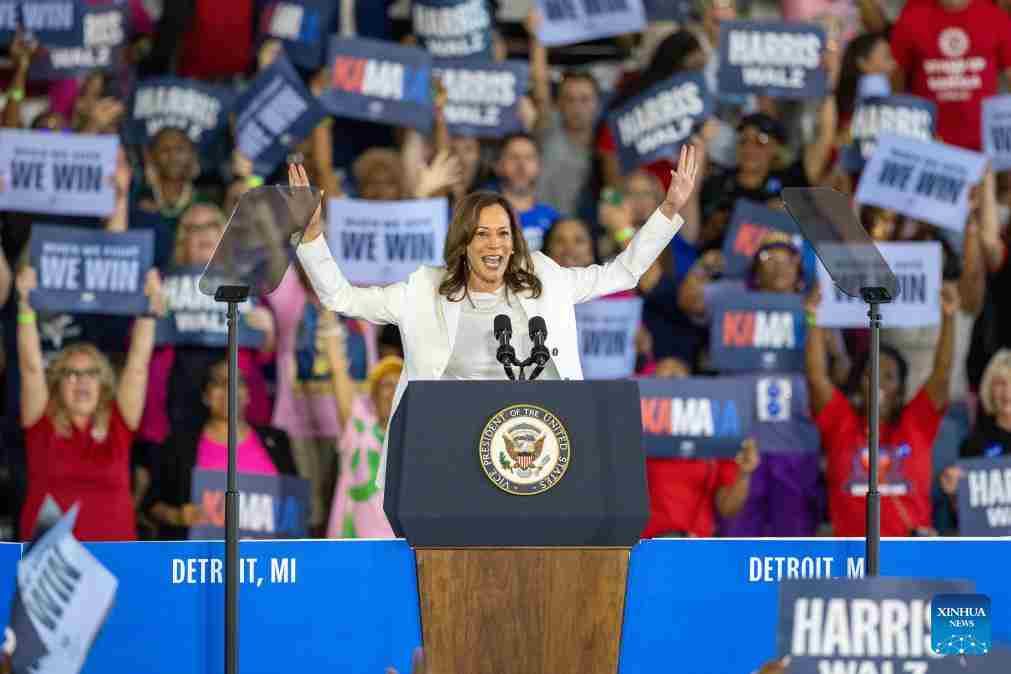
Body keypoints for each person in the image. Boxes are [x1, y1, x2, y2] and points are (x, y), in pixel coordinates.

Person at [292, 145, 699, 488]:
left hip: (536, 455)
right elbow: (341, 297)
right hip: (447, 458)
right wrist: (311, 237)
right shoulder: (421, 292)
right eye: (482, 233)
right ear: (463, 241)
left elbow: (622, 272)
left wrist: (667, 210)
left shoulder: (547, 280)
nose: (495, 243)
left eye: (503, 233)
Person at [15, 265, 164, 541]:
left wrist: (148, 310)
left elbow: (137, 366)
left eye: (91, 374)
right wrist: (25, 305)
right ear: (58, 384)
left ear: (103, 383)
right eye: (72, 374)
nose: (82, 381)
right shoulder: (40, 423)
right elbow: (31, 368)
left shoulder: (120, 424)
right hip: (50, 570)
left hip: (114, 561)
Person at [806, 282, 960, 536]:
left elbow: (941, 375)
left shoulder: (916, 422)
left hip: (910, 556)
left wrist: (950, 316)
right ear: (859, 384)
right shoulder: (840, 422)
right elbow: (816, 378)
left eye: (888, 376)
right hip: (851, 559)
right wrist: (813, 316)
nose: (878, 381)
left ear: (900, 388)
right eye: (870, 374)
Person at [145, 360, 297, 539]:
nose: (229, 388)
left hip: (268, 560)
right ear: (206, 395)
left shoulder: (277, 441)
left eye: (238, 382)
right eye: (218, 382)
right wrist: (177, 516)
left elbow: (296, 507)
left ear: (248, 394)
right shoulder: (180, 445)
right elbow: (152, 505)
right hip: (203, 559)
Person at [889, 0, 1011, 150]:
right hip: (927, 139)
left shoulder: (995, 17)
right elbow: (896, 77)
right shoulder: (911, 17)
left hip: (985, 142)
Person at [326, 355, 403, 538]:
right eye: (386, 385)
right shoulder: (359, 432)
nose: (393, 391)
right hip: (356, 544)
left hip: (399, 546)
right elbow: (339, 375)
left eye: (399, 385)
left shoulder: (416, 444)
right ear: (374, 396)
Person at [493, 133, 561, 252]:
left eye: (529, 158)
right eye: (513, 157)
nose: (521, 165)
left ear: (539, 166)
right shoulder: (483, 217)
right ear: (498, 165)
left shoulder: (553, 219)